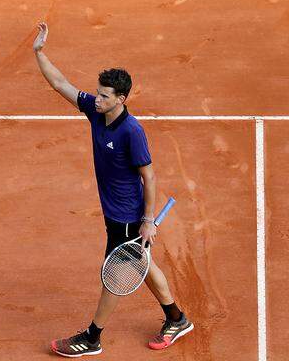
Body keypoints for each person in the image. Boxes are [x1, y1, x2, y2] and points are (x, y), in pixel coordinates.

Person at [33, 22, 194, 358]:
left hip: (127, 216)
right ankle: (176, 318)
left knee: (114, 276)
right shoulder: (95, 111)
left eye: (105, 95)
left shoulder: (132, 132)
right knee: (144, 265)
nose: (98, 98)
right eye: (98, 92)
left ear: (120, 99)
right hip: (114, 213)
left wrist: (148, 220)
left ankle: (92, 337)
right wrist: (40, 53)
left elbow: (149, 177)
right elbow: (61, 84)